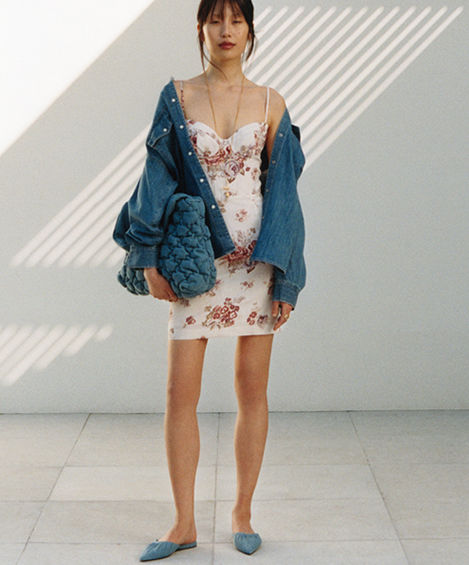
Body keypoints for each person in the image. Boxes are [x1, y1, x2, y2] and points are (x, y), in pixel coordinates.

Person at [113, 0, 306, 560]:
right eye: (215, 19)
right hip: (196, 259)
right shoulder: (176, 96)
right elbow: (156, 176)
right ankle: (183, 523)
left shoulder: (271, 102)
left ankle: (242, 512)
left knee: (252, 389)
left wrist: (287, 278)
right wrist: (147, 257)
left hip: (257, 261)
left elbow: (285, 197)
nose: (226, 30)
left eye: (236, 20)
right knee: (180, 393)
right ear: (200, 27)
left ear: (250, 29)